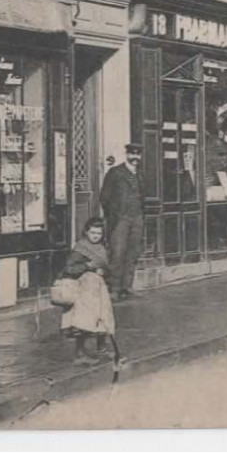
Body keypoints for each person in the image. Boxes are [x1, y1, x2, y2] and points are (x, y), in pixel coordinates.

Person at [60, 218, 117, 362]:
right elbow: (69, 269)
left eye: (99, 233)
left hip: (99, 289)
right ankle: (79, 354)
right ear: (86, 232)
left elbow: (107, 267)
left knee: (103, 319)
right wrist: (88, 266)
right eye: (93, 232)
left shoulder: (102, 248)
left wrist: (104, 272)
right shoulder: (80, 249)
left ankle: (101, 349)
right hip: (84, 290)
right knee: (83, 321)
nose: (96, 236)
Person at [99, 143, 144, 299]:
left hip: (137, 218)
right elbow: (104, 197)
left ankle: (127, 287)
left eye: (138, 155)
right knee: (117, 253)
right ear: (127, 155)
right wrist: (113, 216)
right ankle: (114, 288)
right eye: (132, 154)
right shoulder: (115, 173)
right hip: (120, 219)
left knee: (132, 253)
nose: (135, 158)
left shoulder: (141, 174)